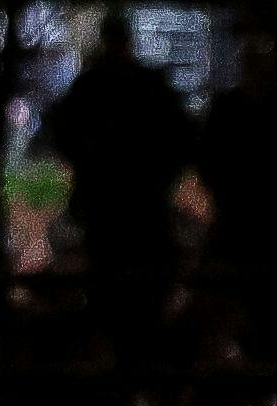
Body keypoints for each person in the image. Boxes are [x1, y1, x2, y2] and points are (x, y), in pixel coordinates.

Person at [48, 6, 185, 293]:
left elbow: (62, 130)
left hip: (118, 202)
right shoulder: (130, 85)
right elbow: (179, 139)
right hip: (131, 202)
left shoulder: (94, 86)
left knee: (118, 281)